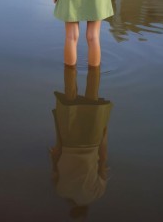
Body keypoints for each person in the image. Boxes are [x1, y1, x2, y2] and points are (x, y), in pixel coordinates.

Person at [50, 64, 112, 218]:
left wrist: (104, 134)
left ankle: (92, 70)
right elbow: (56, 157)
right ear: (72, 210)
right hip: (68, 141)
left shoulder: (97, 193)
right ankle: (75, 69)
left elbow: (103, 160)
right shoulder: (60, 190)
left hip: (92, 142)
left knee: (92, 96)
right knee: (70, 96)